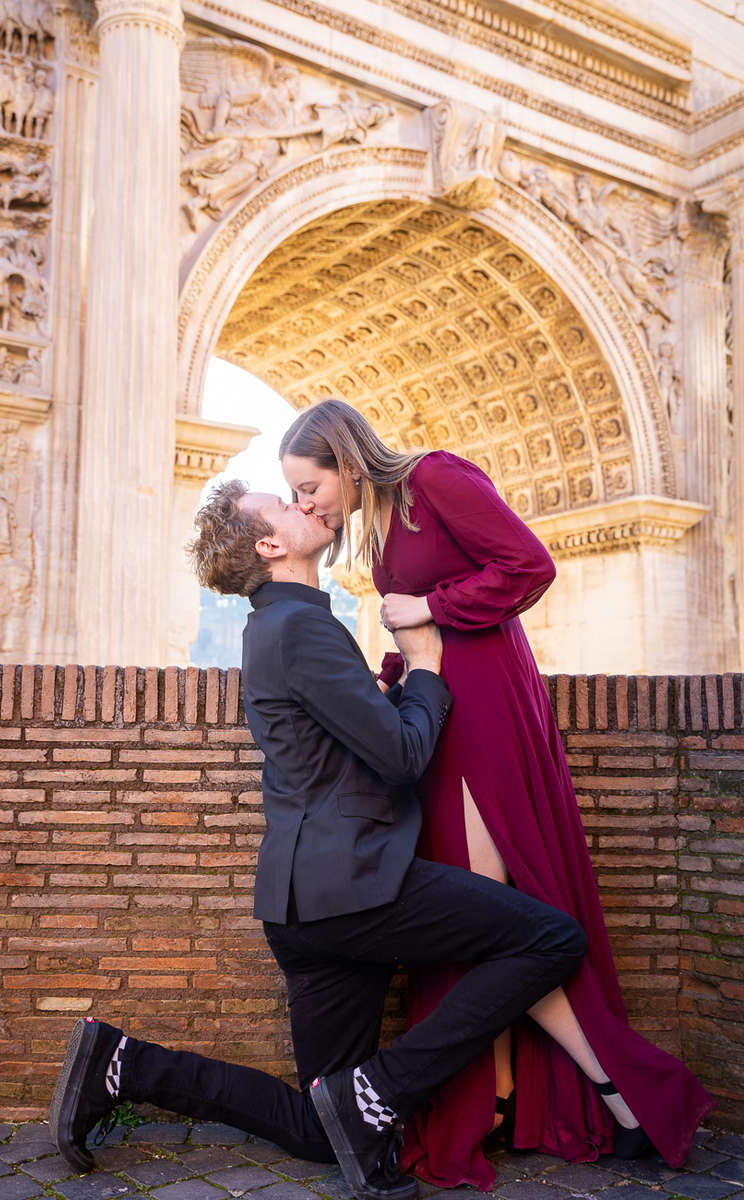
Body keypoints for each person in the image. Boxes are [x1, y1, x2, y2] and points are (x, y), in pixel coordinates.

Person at [50, 481, 587, 1200]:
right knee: (553, 940)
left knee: (319, 1124)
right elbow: (401, 756)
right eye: (288, 504)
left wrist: (391, 692)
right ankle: (381, 1089)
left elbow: (361, 737)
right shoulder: (298, 629)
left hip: (306, 910)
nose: (308, 505)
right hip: (357, 885)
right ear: (270, 546)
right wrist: (425, 668)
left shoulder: (279, 627)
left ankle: (125, 1066)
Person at [279, 399, 714, 1188]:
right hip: (446, 717)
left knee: (494, 918)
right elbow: (422, 639)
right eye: (296, 498)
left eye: (308, 488)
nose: (306, 506)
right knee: (488, 930)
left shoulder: (435, 477)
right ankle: (502, 1100)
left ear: (344, 460)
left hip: (488, 718)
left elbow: (530, 566)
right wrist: (397, 674)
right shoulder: (379, 528)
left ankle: (627, 1099)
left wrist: (433, 608)